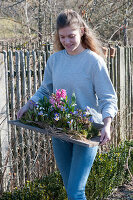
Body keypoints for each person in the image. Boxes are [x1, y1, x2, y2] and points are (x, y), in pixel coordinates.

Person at [17, 9, 118, 200]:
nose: (67, 41)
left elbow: (108, 97)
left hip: (87, 131)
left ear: (81, 31)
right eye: (62, 37)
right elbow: (46, 90)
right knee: (68, 186)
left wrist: (107, 124)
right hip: (61, 130)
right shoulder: (55, 60)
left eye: (71, 36)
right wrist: (29, 105)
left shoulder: (93, 61)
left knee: (75, 191)